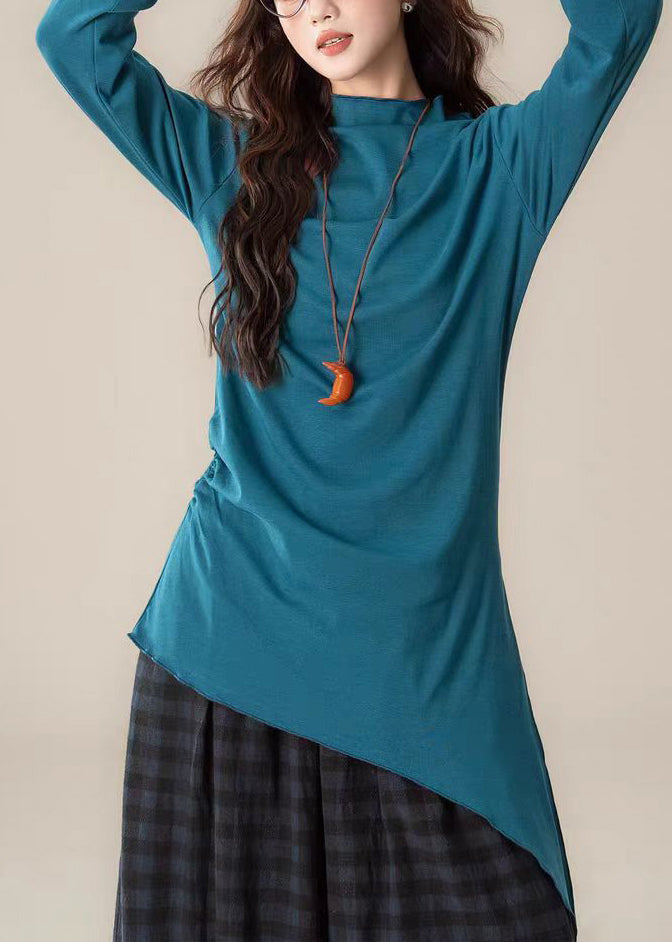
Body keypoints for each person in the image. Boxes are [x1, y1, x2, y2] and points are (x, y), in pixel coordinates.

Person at [35, 0, 662, 938]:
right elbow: (74, 38)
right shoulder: (234, 168)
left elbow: (620, 24)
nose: (314, 8)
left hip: (424, 673)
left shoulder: (499, 171)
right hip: (228, 650)